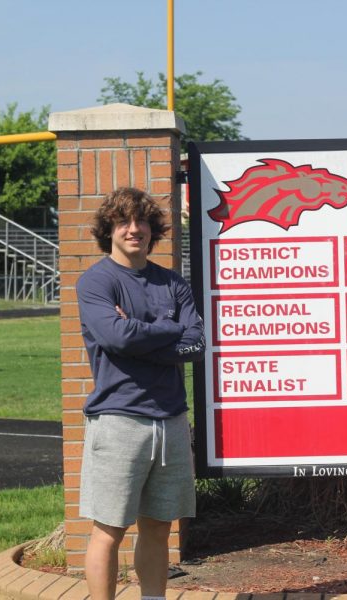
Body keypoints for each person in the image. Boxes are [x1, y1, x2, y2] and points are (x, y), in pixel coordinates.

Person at [76, 187, 205, 600]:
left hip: (170, 420)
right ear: (109, 230)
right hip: (119, 421)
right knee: (109, 529)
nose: (134, 229)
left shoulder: (172, 283)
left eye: (142, 221)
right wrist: (169, 333)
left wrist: (141, 333)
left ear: (154, 229)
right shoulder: (96, 282)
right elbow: (116, 338)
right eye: (124, 222)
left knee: (158, 526)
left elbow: (198, 344)